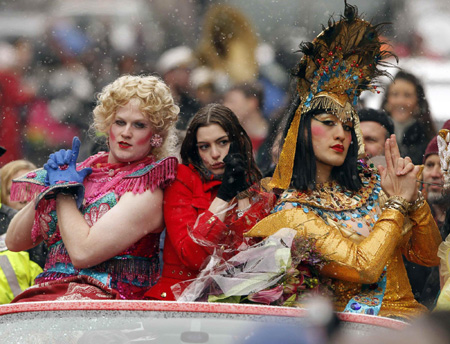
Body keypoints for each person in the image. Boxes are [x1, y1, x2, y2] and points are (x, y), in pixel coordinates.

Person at [244, 2, 441, 319]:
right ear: (303, 131)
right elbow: (363, 266)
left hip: (408, 323)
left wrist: (414, 199)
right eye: (328, 122)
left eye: (348, 126)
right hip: (353, 331)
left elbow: (429, 256)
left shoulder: (373, 186)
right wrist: (396, 206)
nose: (340, 133)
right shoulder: (292, 213)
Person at [5, 75, 179, 301]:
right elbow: (15, 241)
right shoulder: (84, 170)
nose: (126, 132)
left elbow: (82, 253)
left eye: (139, 125)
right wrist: (50, 187)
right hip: (50, 301)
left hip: (107, 312)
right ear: (108, 125)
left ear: (156, 136)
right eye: (120, 122)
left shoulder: (147, 186)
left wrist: (64, 192)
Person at [144, 103, 276, 301]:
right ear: (196, 150)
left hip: (233, 307)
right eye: (205, 147)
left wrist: (242, 195)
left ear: (237, 142)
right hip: (177, 303)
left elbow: (251, 260)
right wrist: (223, 196)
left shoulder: (260, 192)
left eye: (222, 142)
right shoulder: (182, 178)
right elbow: (193, 256)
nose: (215, 154)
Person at [0, 147, 42, 304]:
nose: (23, 198)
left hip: (16, 321)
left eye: (30, 190)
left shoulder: (41, 231)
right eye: (14, 191)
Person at [381, 71, 436, 165]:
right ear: (387, 100)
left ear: (418, 101)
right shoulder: (375, 136)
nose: (400, 101)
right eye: (395, 94)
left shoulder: (429, 142)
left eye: (407, 95)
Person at [222, 82, 268, 153]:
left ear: (252, 103)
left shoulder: (274, 137)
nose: (226, 106)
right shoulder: (227, 137)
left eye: (232, 101)